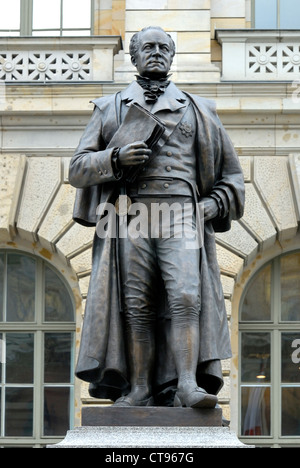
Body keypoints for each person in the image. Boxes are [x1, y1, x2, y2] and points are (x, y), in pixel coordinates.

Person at [69, 26, 245, 408]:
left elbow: (232, 177)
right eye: (148, 47)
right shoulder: (110, 107)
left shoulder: (200, 110)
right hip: (129, 214)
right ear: (133, 56)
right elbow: (78, 169)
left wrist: (211, 206)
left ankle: (186, 383)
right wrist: (115, 159)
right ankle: (141, 387)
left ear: (172, 55)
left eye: (164, 47)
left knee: (185, 294)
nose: (156, 53)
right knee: (137, 303)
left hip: (182, 212)